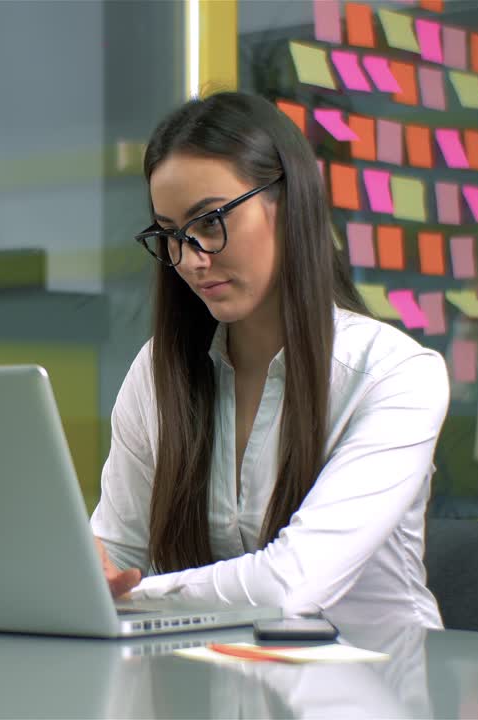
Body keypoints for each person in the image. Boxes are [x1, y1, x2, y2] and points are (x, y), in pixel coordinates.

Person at [91, 92, 449, 628]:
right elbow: (114, 555)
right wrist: (88, 574)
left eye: (210, 221)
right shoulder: (158, 373)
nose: (190, 259)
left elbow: (290, 585)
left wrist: (128, 594)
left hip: (376, 688)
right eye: (170, 234)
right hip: (223, 683)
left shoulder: (395, 375)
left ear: (288, 202)